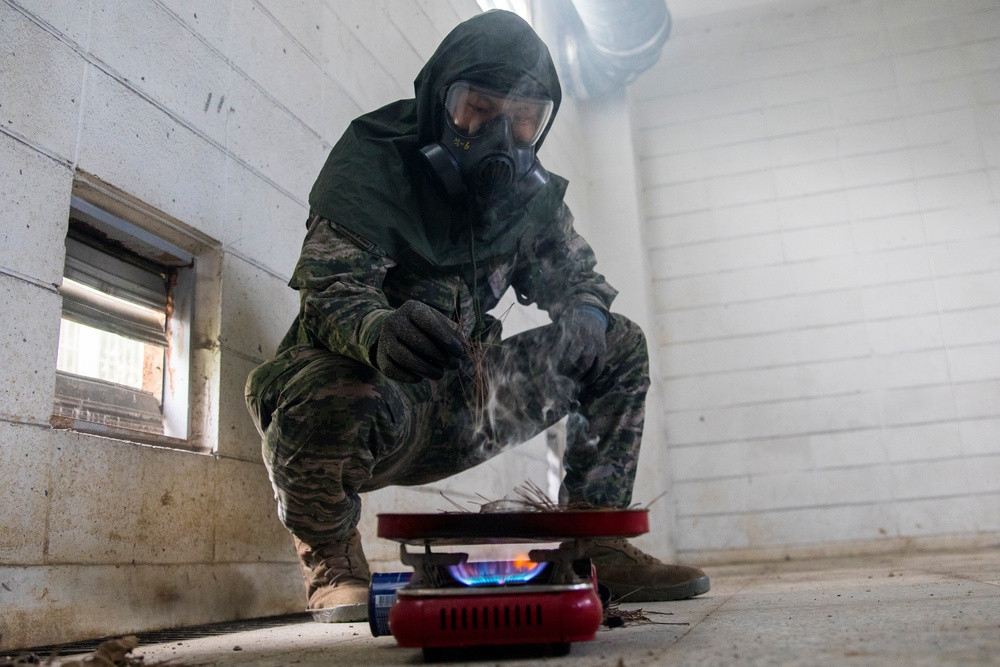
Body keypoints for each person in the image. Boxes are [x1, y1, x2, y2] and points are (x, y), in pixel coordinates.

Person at [245, 9, 709, 623]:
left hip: (470, 401)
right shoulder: (375, 160)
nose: (501, 135)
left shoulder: (529, 193)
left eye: (523, 120)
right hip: (382, 404)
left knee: (619, 344)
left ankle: (596, 547)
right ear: (440, 101)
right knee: (328, 387)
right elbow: (332, 289)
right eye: (479, 111)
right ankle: (332, 565)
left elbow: (578, 278)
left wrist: (587, 312)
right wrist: (379, 331)